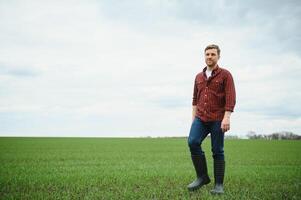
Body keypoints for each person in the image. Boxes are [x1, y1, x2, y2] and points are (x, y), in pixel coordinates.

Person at [187, 44, 236, 194]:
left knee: (217, 150)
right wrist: (193, 119)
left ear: (218, 57)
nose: (209, 57)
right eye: (207, 54)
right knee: (193, 142)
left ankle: (219, 185)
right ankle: (202, 177)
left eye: (213, 54)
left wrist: (226, 117)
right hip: (200, 118)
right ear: (204, 56)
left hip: (218, 118)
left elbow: (230, 97)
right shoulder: (198, 77)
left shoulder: (225, 75)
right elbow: (195, 99)